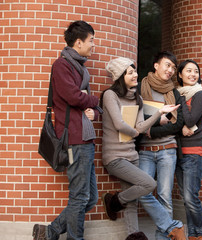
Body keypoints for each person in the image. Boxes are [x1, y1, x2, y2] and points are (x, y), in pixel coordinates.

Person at [32, 21, 101, 240]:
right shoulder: (62, 65)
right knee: (80, 197)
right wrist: (93, 99)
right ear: (78, 42)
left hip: (85, 138)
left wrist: (94, 111)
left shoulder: (80, 67)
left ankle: (49, 232)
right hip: (74, 139)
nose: (93, 45)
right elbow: (73, 96)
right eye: (91, 40)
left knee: (89, 199)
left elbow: (91, 108)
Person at [100, 57, 179, 239]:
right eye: (130, 72)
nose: (136, 75)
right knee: (149, 184)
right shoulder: (110, 95)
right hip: (115, 157)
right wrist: (135, 133)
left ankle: (133, 235)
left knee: (133, 202)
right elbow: (119, 124)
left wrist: (159, 113)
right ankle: (114, 201)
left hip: (132, 154)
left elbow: (141, 126)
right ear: (120, 76)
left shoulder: (137, 97)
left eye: (135, 71)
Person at [137, 51, 186, 240]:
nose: (170, 70)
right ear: (156, 65)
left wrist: (150, 129)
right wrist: (158, 119)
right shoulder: (141, 88)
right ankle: (171, 227)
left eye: (173, 68)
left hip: (167, 150)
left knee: (165, 197)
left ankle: (162, 238)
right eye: (167, 65)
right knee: (142, 191)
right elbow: (137, 118)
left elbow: (178, 123)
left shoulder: (174, 93)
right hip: (145, 151)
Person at [175, 60, 202, 240]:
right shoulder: (176, 93)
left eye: (196, 71)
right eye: (188, 71)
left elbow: (190, 121)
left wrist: (180, 100)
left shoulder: (199, 94)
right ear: (180, 74)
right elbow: (176, 122)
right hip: (179, 152)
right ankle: (193, 235)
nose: (193, 74)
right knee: (186, 199)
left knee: (191, 198)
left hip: (194, 153)